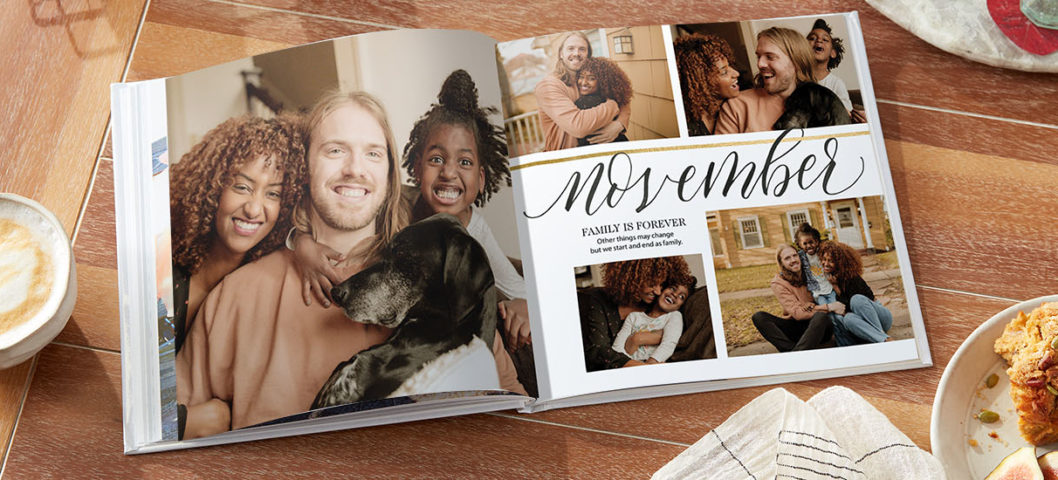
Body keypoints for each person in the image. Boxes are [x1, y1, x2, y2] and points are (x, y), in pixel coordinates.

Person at [176, 91, 526, 440]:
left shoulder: (439, 280)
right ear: (304, 167)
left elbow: (514, 415)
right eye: (335, 150)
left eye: (372, 154)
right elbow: (174, 428)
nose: (355, 169)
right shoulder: (235, 296)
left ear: (390, 173)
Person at [168, 115, 306, 354]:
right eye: (242, 187)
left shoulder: (265, 291)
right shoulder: (161, 268)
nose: (253, 209)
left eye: (273, 194)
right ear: (213, 186)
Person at [578, 256, 691, 371]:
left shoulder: (660, 307)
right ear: (633, 278)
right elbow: (598, 352)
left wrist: (641, 338)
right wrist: (646, 369)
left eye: (662, 285)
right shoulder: (593, 300)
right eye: (652, 284)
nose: (657, 291)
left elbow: (672, 337)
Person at [535, 31, 630, 151]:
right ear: (561, 54)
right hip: (566, 157)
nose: (576, 53)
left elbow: (622, 98)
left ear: (588, 55)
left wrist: (619, 124)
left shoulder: (588, 80)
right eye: (570, 48)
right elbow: (578, 127)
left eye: (582, 49)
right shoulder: (548, 86)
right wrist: (613, 105)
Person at [715, 27, 815, 134]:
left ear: (796, 63)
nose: (760, 64)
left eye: (770, 57)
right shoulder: (737, 106)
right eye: (758, 57)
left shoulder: (821, 105)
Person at [751, 245, 834, 352]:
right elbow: (798, 314)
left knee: (820, 316)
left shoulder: (812, 272)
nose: (793, 260)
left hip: (820, 326)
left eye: (795, 255)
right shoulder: (778, 282)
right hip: (796, 327)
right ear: (781, 263)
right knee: (759, 317)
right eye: (787, 258)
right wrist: (828, 307)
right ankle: (792, 351)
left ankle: (796, 354)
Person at [819, 240, 893, 344]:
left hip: (881, 319)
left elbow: (858, 306)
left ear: (840, 263)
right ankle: (884, 339)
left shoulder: (853, 278)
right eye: (824, 259)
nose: (825, 264)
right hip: (864, 324)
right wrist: (835, 287)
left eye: (830, 261)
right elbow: (845, 312)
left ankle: (880, 336)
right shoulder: (832, 279)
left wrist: (837, 289)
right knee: (848, 319)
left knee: (857, 299)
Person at [611, 275, 695, 364]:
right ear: (662, 290)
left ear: (680, 306)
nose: (674, 294)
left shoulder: (674, 316)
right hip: (628, 365)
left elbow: (669, 344)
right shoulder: (634, 317)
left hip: (651, 365)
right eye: (673, 288)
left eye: (681, 297)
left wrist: (649, 365)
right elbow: (617, 347)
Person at [673, 33, 741, 136]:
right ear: (703, 83)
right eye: (724, 72)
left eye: (730, 66)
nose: (736, 73)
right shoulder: (686, 128)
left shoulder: (737, 108)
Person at [806, 19, 866, 123]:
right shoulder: (796, 79)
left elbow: (845, 114)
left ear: (833, 53)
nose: (819, 40)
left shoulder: (836, 83)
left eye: (825, 40)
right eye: (812, 38)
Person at [573, 57, 632, 146]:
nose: (584, 82)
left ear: (603, 81)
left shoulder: (584, 103)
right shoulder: (612, 98)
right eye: (581, 77)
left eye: (591, 78)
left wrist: (620, 124)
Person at [793, 223, 839, 312]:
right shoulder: (801, 257)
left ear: (817, 241)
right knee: (827, 312)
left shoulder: (823, 252)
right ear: (799, 245)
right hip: (817, 292)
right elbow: (792, 265)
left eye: (811, 242)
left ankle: (843, 324)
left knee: (836, 309)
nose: (809, 246)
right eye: (805, 243)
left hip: (830, 287)